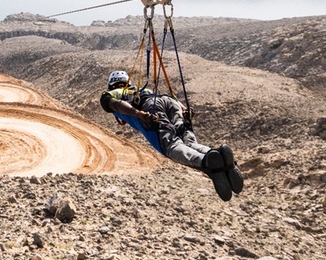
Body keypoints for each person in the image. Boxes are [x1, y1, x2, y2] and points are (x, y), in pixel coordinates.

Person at [99, 70, 243, 201]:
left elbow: (115, 104)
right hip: (169, 101)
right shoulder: (141, 89)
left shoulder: (112, 93)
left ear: (111, 85)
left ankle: (205, 160)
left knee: (172, 146)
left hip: (150, 108)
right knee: (188, 141)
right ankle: (217, 155)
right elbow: (167, 99)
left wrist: (139, 114)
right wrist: (184, 109)